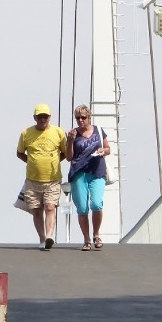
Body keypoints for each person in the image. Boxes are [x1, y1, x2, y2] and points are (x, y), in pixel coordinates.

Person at [16, 103, 67, 250]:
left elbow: (65, 152)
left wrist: (56, 161)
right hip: (33, 180)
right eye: (40, 116)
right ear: (35, 117)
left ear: (49, 117)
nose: (42, 119)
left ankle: (50, 235)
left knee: (50, 207)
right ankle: (42, 238)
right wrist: (31, 162)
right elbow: (19, 153)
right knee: (37, 210)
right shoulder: (26, 133)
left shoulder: (58, 132)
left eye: (45, 116)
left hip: (53, 178)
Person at [65, 104, 110, 251]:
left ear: (89, 117)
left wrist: (103, 150)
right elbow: (69, 157)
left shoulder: (98, 130)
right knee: (82, 208)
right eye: (78, 118)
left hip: (97, 171)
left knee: (96, 203)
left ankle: (96, 234)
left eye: (83, 117)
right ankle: (87, 239)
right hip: (79, 172)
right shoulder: (73, 134)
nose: (80, 120)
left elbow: (108, 148)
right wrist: (70, 141)